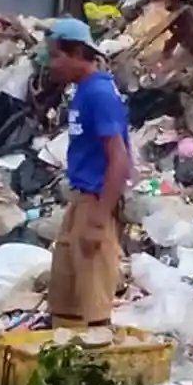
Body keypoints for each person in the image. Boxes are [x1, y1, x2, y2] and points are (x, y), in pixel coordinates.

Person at [45, 19, 131, 328]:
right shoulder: (82, 91)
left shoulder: (100, 94)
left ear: (79, 53)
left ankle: (95, 369)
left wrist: (98, 217)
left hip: (96, 203)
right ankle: (64, 367)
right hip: (80, 201)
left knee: (93, 309)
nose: (52, 65)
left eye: (57, 56)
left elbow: (119, 160)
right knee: (65, 303)